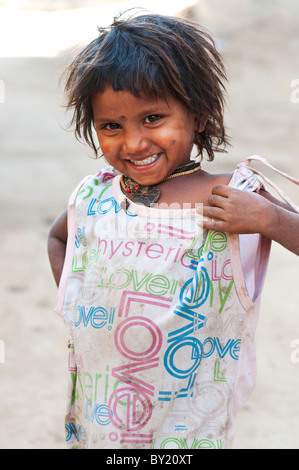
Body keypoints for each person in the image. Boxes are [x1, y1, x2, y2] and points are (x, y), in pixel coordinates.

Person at [48, 11, 299, 450]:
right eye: (112, 126)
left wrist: (270, 219)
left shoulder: (231, 197)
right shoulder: (95, 196)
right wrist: (82, 311)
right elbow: (59, 239)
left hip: (188, 433)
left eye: (152, 119)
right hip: (101, 418)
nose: (133, 143)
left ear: (199, 115)